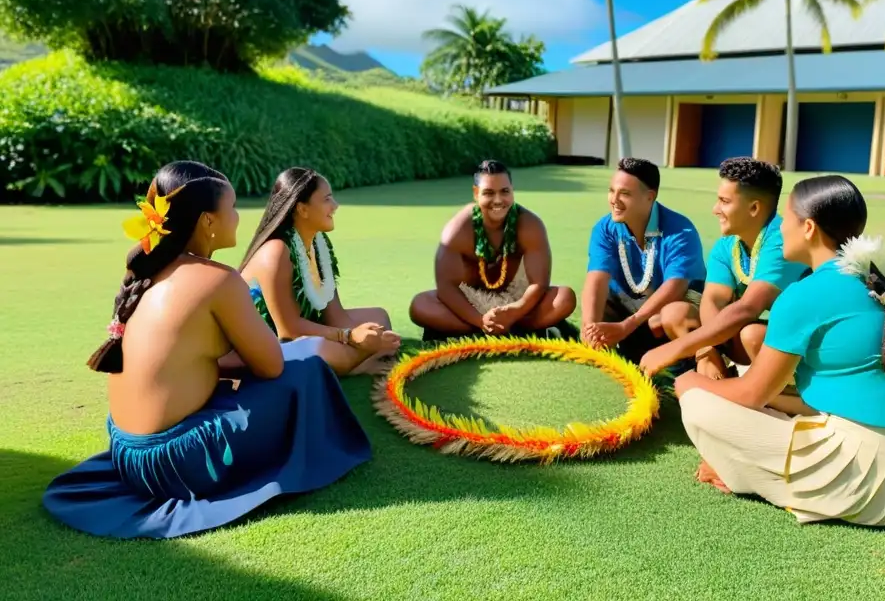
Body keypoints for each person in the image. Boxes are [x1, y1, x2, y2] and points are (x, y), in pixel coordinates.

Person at [42, 161, 373, 540]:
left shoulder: (150, 270)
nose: (238, 217)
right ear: (207, 222)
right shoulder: (217, 280)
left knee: (283, 365)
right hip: (177, 464)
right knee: (307, 370)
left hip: (125, 453)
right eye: (231, 208)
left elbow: (196, 362)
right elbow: (270, 367)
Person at [674, 174, 885, 528]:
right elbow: (811, 400)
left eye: (785, 219)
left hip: (876, 482)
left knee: (699, 402)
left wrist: (690, 383)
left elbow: (750, 394)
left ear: (807, 228)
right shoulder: (871, 280)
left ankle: (738, 472)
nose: (779, 229)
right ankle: (739, 465)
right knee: (766, 397)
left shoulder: (804, 294)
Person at [639, 157, 807, 380]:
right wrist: (706, 351)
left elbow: (748, 309)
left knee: (753, 335)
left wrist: (675, 348)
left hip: (812, 344)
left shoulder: (781, 240)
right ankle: (719, 376)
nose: (715, 210)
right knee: (675, 313)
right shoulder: (727, 246)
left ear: (754, 208)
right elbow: (712, 301)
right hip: (774, 337)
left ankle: (785, 394)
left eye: (724, 201)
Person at [239, 167, 400, 375]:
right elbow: (288, 332)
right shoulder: (276, 252)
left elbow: (336, 316)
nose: (335, 206)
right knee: (321, 349)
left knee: (379, 318)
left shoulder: (318, 244)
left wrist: (364, 334)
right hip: (265, 344)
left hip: (302, 332)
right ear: (302, 209)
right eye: (327, 199)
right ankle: (360, 362)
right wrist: (352, 338)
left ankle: (359, 359)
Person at [409, 160, 577, 341]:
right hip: (470, 303)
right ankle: (503, 330)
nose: (498, 200)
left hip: (518, 303)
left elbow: (539, 283)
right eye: (489, 193)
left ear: (512, 190)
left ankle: (482, 330)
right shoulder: (458, 230)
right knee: (420, 305)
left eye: (504, 191)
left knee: (564, 298)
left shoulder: (530, 225)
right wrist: (480, 320)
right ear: (476, 193)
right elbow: (446, 288)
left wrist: (515, 310)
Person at [581, 157, 706, 365]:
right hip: (629, 307)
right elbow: (597, 279)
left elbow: (675, 286)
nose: (614, 200)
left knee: (674, 314)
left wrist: (628, 325)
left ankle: (694, 362)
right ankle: (608, 354)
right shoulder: (604, 228)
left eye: (625, 194)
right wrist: (590, 328)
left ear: (650, 197)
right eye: (612, 191)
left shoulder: (680, 230)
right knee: (596, 307)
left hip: (669, 311)